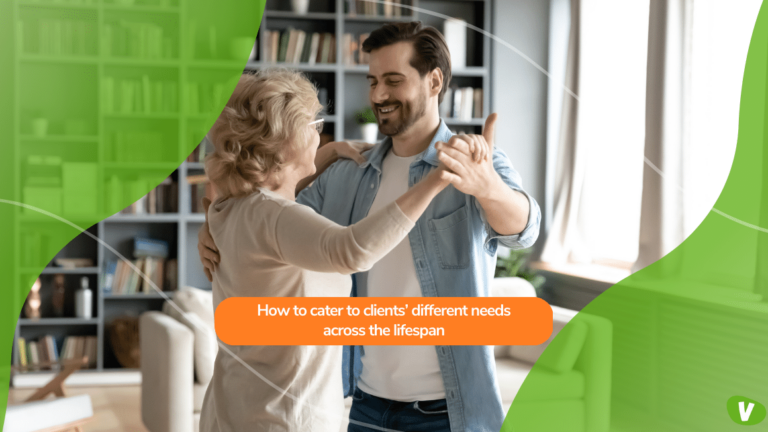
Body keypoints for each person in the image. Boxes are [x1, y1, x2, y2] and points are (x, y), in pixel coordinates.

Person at [199, 22, 541, 432]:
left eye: (393, 80)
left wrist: (488, 187)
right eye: (373, 80)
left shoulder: (475, 163)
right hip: (365, 404)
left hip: (448, 409)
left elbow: (524, 228)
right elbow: (272, 210)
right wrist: (213, 223)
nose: (378, 95)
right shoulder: (348, 172)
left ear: (434, 81)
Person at [197, 68, 469, 432]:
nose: (319, 131)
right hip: (282, 418)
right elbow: (352, 250)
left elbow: (268, 176)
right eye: (313, 123)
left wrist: (328, 154)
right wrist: (437, 178)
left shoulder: (228, 207)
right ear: (285, 139)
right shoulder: (275, 217)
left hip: (232, 407)